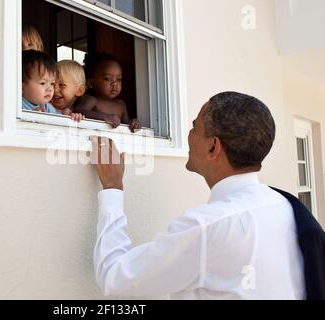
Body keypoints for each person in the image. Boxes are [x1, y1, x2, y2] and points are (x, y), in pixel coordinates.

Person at [90, 92, 305, 299]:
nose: (189, 135)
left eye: (194, 127)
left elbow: (114, 276)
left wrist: (112, 186)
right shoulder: (285, 206)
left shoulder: (206, 227)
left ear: (213, 147)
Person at [74, 53, 141, 133]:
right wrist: (104, 117)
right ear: (91, 83)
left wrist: (134, 123)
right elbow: (78, 111)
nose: (114, 84)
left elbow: (126, 126)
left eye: (119, 79)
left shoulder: (121, 104)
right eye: (107, 78)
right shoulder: (92, 100)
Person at [22, 50, 83, 121]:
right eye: (43, 83)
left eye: (52, 84)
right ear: (21, 86)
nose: (50, 89)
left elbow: (59, 121)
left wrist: (70, 117)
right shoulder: (16, 105)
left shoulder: (46, 106)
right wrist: (30, 116)